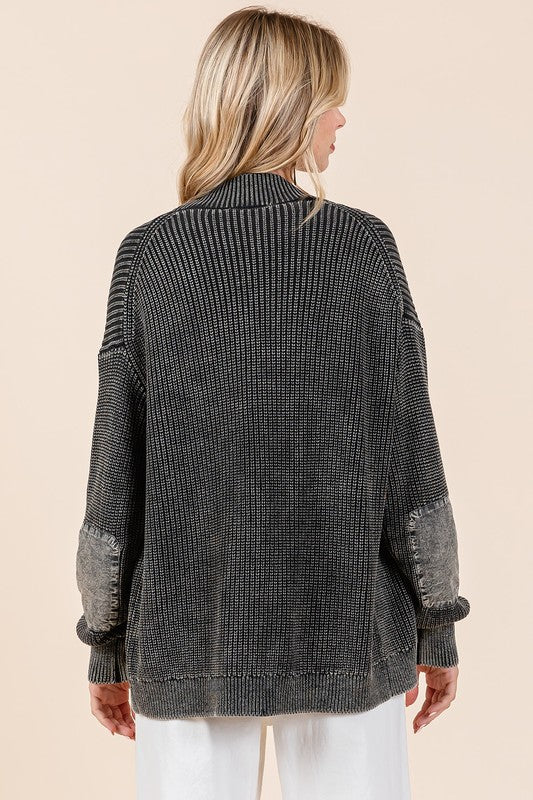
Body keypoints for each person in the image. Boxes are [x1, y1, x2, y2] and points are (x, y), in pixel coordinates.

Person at [75, 6, 471, 799]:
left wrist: (106, 641)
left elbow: (115, 474)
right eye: (329, 99)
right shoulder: (363, 247)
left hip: (186, 639)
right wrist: (437, 624)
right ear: (288, 107)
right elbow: (411, 460)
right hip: (348, 636)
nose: (341, 118)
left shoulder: (150, 255)